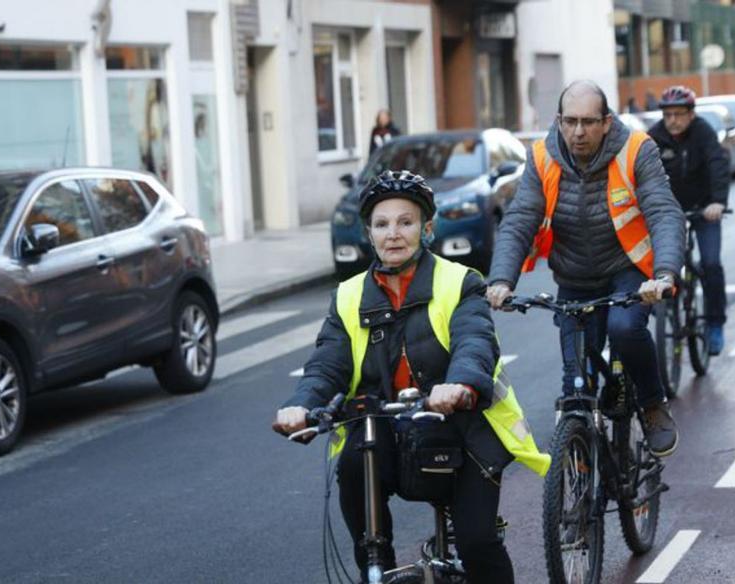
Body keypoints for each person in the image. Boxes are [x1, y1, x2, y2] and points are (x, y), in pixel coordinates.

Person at [273, 170, 548, 583]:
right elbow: (328, 362)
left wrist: (460, 385)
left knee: (477, 544)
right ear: (369, 233)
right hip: (386, 431)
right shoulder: (348, 296)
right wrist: (303, 403)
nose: (394, 234)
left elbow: (475, 341)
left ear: (427, 228)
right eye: (382, 224)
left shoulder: (459, 282)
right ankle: (376, 567)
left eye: (406, 222)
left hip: (462, 428)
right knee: (353, 465)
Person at [485, 80, 686, 457]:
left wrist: (665, 273)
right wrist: (500, 280)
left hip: (626, 270)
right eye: (571, 121)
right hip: (575, 277)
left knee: (624, 329)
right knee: (575, 385)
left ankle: (654, 404)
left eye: (589, 122)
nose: (579, 132)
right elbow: (519, 219)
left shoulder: (636, 150)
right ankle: (577, 486)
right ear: (559, 121)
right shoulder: (542, 156)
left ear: (607, 122)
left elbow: (662, 211)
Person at [647, 85, 731, 355]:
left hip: (704, 209)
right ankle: (662, 312)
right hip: (667, 213)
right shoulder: (654, 137)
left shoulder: (703, 133)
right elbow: (640, 174)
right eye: (668, 114)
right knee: (654, 264)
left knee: (711, 263)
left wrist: (717, 202)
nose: (672, 120)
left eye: (679, 114)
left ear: (691, 114)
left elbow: (718, 164)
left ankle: (715, 324)